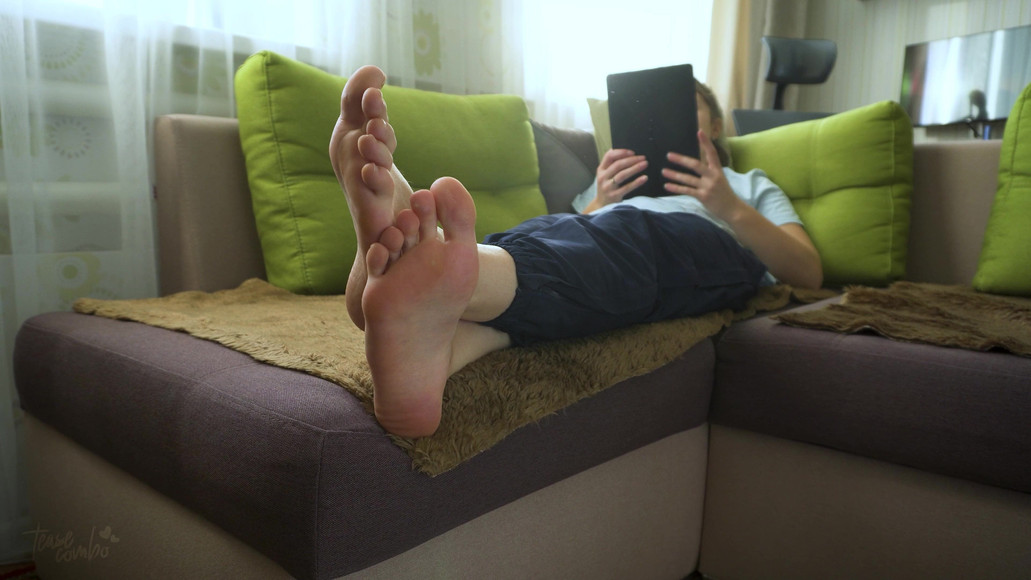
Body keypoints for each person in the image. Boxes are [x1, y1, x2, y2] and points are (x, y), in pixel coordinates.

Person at [329, 65, 822, 438]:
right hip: (607, 231)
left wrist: (728, 205)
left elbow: (808, 271)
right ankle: (443, 339)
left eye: (681, 107)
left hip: (704, 246)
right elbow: (571, 242)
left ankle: (434, 268)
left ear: (714, 126)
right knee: (554, 231)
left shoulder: (747, 184)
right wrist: (602, 199)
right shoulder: (610, 187)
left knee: (629, 237)